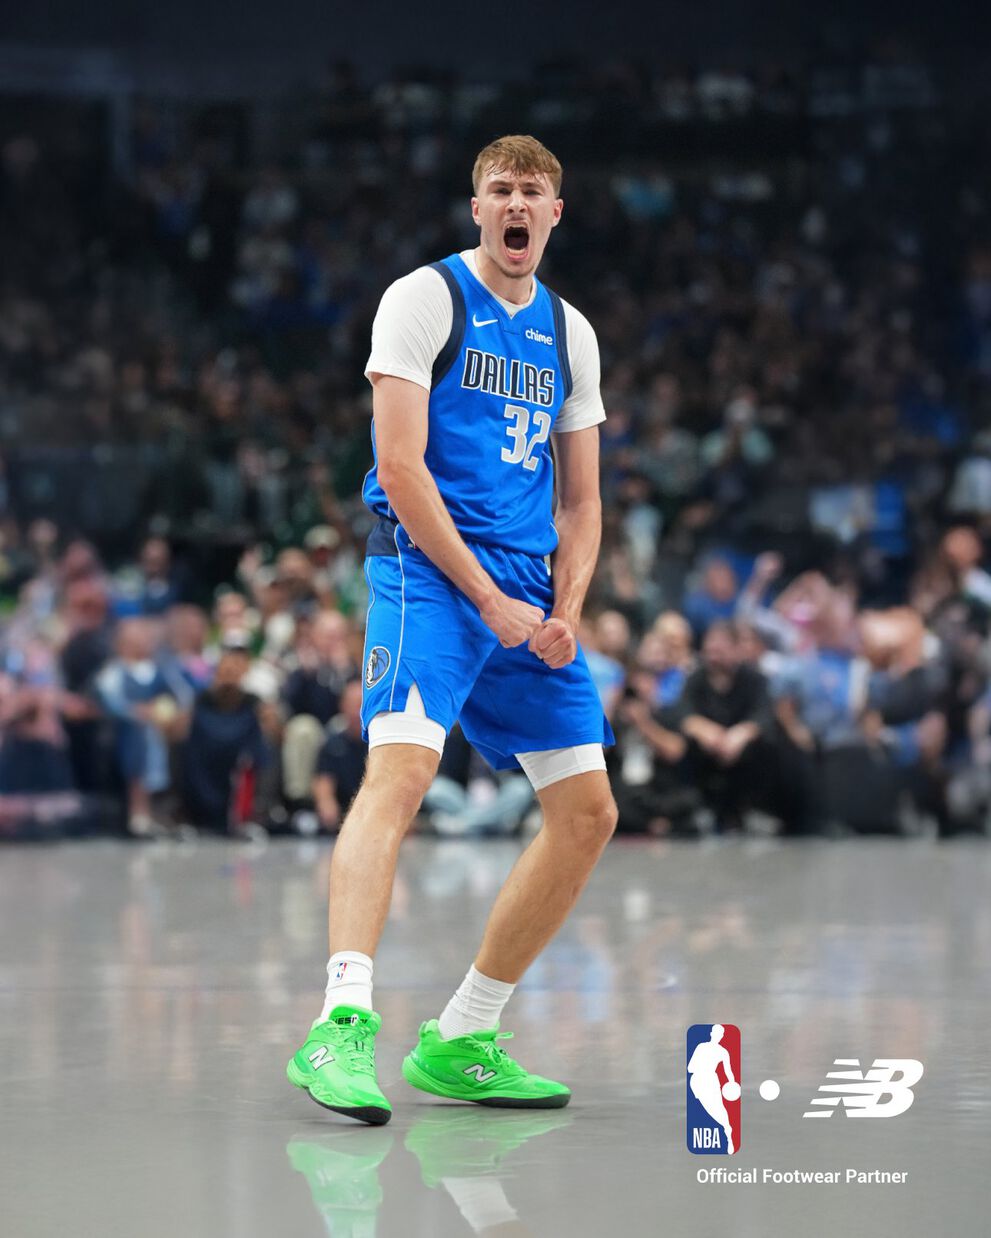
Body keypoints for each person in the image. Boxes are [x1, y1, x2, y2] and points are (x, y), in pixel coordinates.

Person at [287, 134, 617, 1125]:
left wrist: (564, 611)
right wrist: (487, 598)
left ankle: (464, 1032)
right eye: (500, 190)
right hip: (426, 573)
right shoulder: (423, 298)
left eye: (534, 193)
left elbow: (583, 503)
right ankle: (341, 1023)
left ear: (555, 214)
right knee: (399, 775)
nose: (517, 206)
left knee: (587, 811)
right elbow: (398, 466)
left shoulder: (570, 332)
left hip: (521, 591)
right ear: (477, 207)